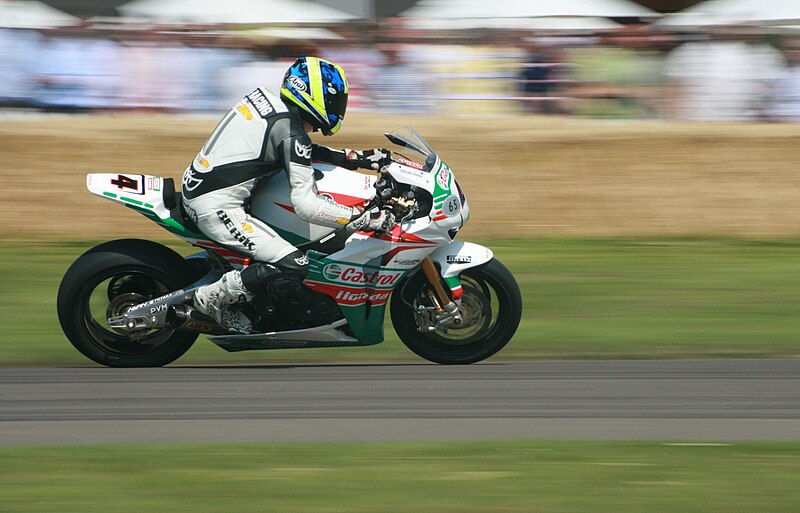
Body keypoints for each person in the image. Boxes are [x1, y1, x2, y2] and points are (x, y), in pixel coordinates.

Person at [182, 56, 394, 334]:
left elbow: (294, 149)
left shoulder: (269, 103)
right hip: (217, 207)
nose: (338, 108)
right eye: (334, 101)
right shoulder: (291, 132)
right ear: (315, 95)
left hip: (205, 188)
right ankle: (210, 300)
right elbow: (306, 205)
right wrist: (361, 217)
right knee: (294, 265)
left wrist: (353, 158)